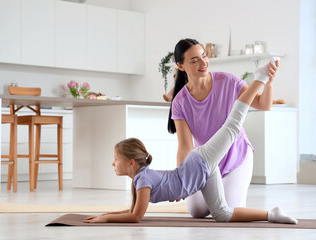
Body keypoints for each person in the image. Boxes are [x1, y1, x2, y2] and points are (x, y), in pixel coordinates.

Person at [83, 69, 297, 224]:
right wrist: (106, 216)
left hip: (199, 163)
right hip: (200, 171)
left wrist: (105, 218)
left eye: (115, 159)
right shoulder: (141, 180)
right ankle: (272, 214)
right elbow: (133, 210)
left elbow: (136, 217)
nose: (112, 163)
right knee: (222, 214)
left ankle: (259, 80)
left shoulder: (143, 180)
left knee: (232, 126)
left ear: (131, 162)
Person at [167, 39, 278, 218]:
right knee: (196, 211)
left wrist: (269, 82)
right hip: (207, 162)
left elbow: (263, 104)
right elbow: (185, 147)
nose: (203, 63)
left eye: (204, 56)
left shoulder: (228, 81)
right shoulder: (180, 101)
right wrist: (181, 179)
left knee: (230, 211)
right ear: (180, 66)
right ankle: (219, 193)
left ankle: (266, 211)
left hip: (236, 156)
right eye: (194, 60)